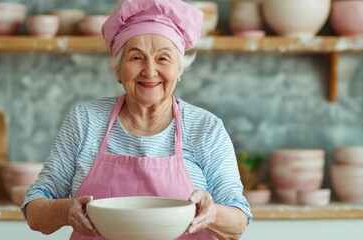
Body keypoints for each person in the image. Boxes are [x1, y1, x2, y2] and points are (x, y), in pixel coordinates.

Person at [23, 0, 252, 239]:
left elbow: (239, 221)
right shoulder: (86, 121)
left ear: (179, 70)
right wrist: (65, 211)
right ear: (118, 69)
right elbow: (35, 211)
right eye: (136, 58)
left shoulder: (205, 128)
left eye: (163, 58)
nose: (150, 71)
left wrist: (212, 213)